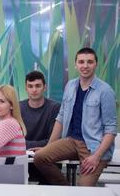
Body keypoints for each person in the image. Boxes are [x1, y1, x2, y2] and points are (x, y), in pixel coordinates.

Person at [34, 47, 118, 186]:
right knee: (40, 157)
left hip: (93, 146)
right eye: (81, 62)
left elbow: (111, 130)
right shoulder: (70, 86)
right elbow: (61, 117)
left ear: (96, 64)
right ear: (75, 64)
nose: (85, 66)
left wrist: (96, 157)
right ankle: (67, 188)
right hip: (72, 141)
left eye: (89, 62)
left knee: (83, 189)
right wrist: (48, 146)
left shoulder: (105, 91)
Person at [20, 71, 60, 183]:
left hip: (47, 159)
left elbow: (56, 140)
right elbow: (16, 140)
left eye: (38, 86)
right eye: (30, 86)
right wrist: (41, 146)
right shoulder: (18, 108)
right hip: (24, 159)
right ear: (26, 88)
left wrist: (44, 148)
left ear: (45, 87)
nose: (34, 90)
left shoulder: (55, 108)